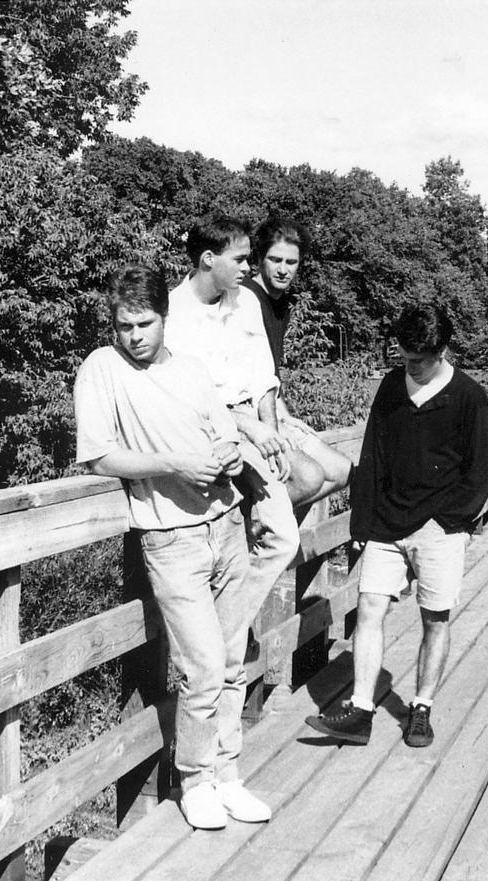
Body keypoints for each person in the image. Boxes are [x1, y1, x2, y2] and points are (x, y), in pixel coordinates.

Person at [74, 265, 271, 831]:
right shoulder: (102, 368)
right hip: (171, 537)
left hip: (225, 524)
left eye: (145, 323)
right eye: (124, 325)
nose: (134, 336)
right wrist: (173, 464)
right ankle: (196, 780)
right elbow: (98, 456)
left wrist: (230, 453)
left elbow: (224, 431)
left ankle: (228, 775)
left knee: (232, 662)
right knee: (202, 666)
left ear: (164, 317)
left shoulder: (190, 368)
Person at [306, 303, 488, 747]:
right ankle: (361, 709)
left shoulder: (468, 396)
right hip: (388, 523)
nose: (410, 367)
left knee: (435, 618)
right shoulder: (392, 387)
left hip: (439, 529)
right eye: (405, 357)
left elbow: (480, 471)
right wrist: (362, 526)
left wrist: (450, 521)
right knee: (369, 608)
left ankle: (421, 708)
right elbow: (372, 457)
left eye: (419, 361)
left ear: (442, 352)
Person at [164, 214, 300, 626]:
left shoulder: (244, 302)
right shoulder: (174, 313)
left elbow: (263, 376)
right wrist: (248, 426)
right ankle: (222, 638)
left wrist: (270, 432)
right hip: (208, 434)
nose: (247, 267)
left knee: (283, 540)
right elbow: (190, 400)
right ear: (209, 259)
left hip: (250, 427)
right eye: (239, 259)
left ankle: (226, 628)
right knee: (232, 549)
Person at [242, 215, 352, 503]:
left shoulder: (282, 304)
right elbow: (249, 377)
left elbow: (270, 373)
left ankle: (274, 521)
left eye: (291, 262)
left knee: (341, 471)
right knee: (308, 477)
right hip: (250, 416)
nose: (283, 270)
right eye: (275, 260)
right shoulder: (245, 298)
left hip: (273, 409)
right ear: (259, 259)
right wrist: (276, 425)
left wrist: (287, 417)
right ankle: (257, 523)